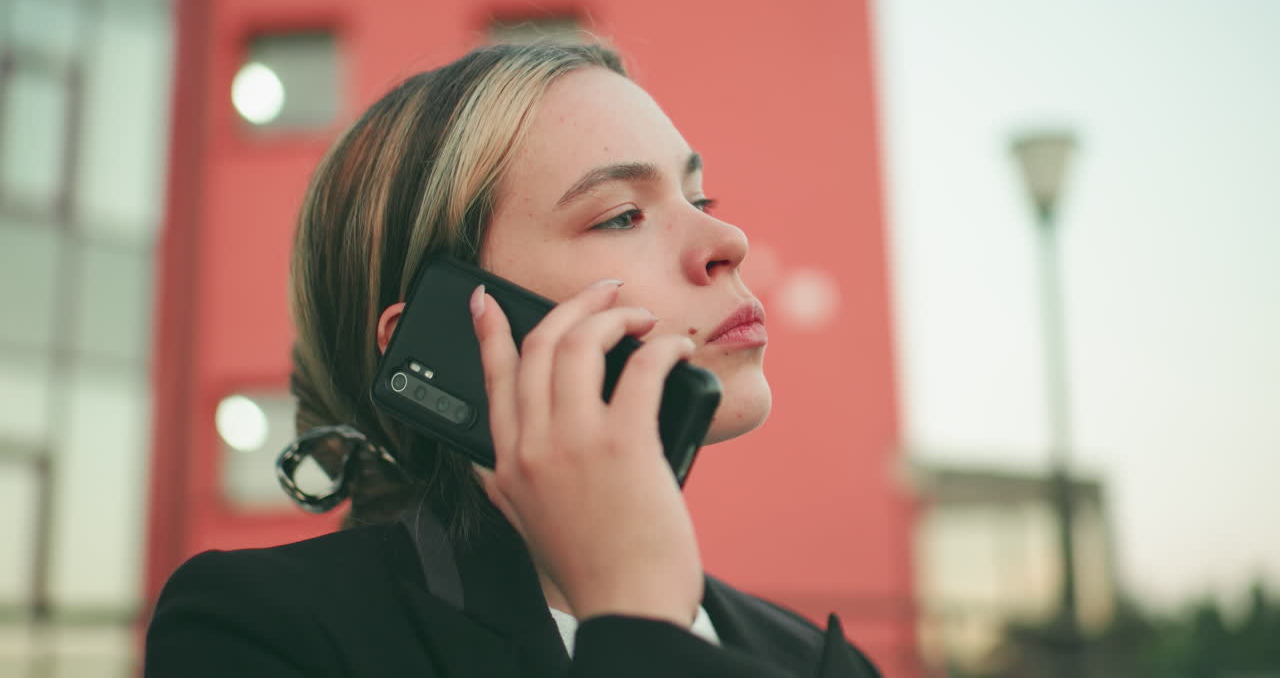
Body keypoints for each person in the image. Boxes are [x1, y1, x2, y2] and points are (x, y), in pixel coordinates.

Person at [144, 41, 881, 677]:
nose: (731, 241)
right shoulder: (261, 629)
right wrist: (638, 618)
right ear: (446, 335)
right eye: (621, 214)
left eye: (701, 196)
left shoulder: (818, 662)